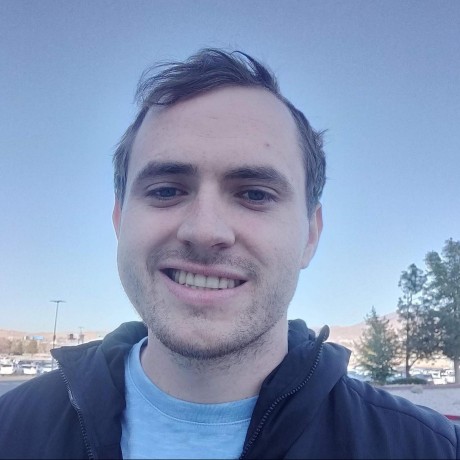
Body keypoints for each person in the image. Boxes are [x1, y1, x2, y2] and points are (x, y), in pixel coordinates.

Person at [0, 48, 458, 459]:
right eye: (166, 190)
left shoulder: (428, 448)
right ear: (120, 221)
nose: (204, 231)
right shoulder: (11, 430)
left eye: (255, 194)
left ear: (310, 235)